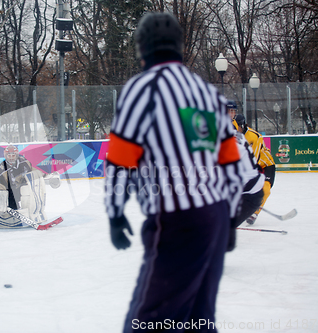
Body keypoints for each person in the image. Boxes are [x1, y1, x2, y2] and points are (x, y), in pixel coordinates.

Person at [104, 12, 243, 333]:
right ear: (180, 47)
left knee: (149, 323)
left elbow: (121, 160)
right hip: (216, 215)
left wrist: (114, 213)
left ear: (142, 50)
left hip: (177, 219)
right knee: (198, 319)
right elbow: (232, 166)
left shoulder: (142, 89)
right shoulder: (207, 93)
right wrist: (230, 219)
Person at [233, 114, 276, 224]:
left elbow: (254, 158)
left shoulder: (254, 136)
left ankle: (254, 213)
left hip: (265, 165)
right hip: (250, 166)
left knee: (265, 189)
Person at [0, 145, 33, 210]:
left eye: (13, 155)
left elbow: (34, 171)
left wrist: (42, 175)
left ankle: (30, 211)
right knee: (11, 197)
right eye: (9, 156)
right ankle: (13, 210)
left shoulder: (24, 162)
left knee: (29, 191)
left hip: (24, 189)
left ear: (16, 155)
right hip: (10, 193)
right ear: (5, 156)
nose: (11, 158)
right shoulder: (1, 168)